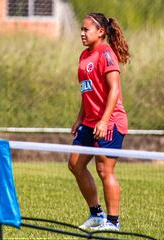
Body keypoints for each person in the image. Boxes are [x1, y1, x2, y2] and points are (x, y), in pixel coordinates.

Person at [68, 12, 130, 231]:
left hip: (110, 121)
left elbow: (114, 90)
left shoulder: (106, 54)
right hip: (90, 121)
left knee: (105, 171)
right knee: (75, 164)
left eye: (86, 29)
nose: (82, 33)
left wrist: (104, 121)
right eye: (82, 30)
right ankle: (96, 214)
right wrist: (79, 119)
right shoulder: (84, 56)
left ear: (101, 32)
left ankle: (113, 222)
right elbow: (88, 92)